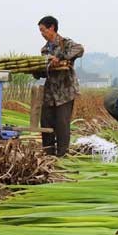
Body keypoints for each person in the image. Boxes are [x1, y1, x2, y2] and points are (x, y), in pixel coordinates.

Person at [36, 16, 84, 157]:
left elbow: (80, 49)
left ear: (52, 28)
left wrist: (61, 58)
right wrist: (38, 72)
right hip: (49, 92)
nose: (42, 33)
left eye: (43, 30)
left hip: (65, 92)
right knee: (46, 123)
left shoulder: (65, 43)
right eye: (40, 31)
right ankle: (48, 156)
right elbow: (46, 71)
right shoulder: (44, 50)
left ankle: (62, 156)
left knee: (62, 125)